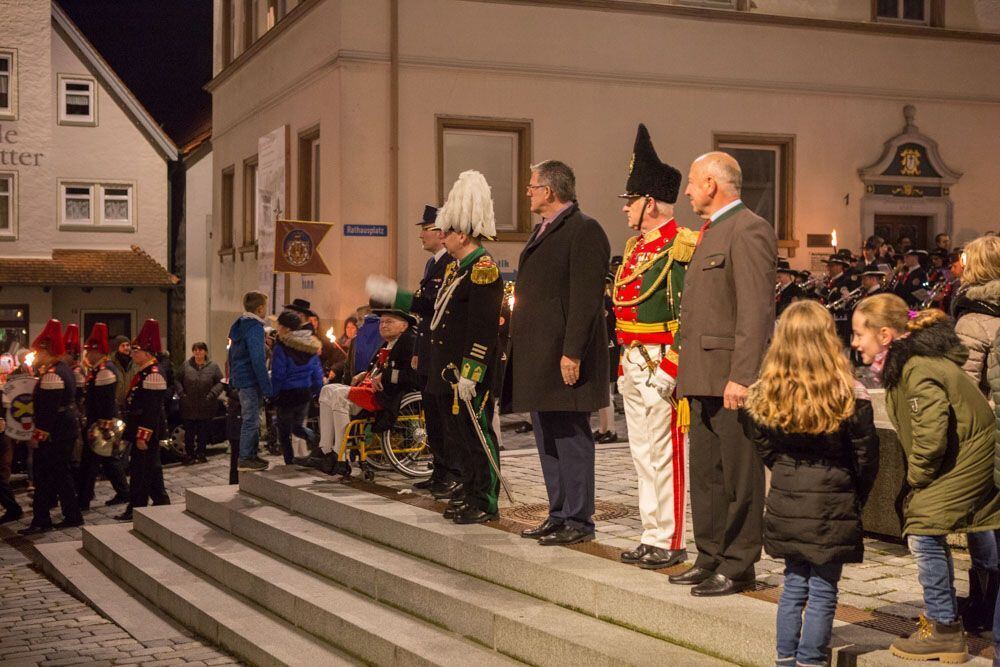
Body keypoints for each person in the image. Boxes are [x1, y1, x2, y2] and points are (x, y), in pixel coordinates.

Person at [852, 297, 1000, 662]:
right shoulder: (912, 362)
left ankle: (944, 628)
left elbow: (931, 436)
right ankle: (976, 610)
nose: (854, 342)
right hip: (967, 455)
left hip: (968, 457)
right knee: (966, 527)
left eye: (859, 334)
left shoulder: (915, 367)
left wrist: (916, 479)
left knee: (921, 525)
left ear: (885, 334)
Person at [745, 301, 879, 667]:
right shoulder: (848, 392)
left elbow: (762, 444)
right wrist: (854, 495)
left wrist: (786, 469)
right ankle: (810, 660)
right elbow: (866, 456)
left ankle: (785, 659)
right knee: (822, 590)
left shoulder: (768, 391)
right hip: (833, 501)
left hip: (787, 497)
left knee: (792, 586)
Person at [370, 171, 504, 523]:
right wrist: (393, 295)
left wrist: (472, 373)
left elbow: (482, 329)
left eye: (446, 232)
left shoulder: (483, 270)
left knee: (477, 435)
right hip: (449, 370)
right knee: (459, 436)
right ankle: (470, 490)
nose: (442, 237)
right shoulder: (457, 269)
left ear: (462, 234)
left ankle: (485, 499)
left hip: (467, 372)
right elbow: (432, 309)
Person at [671, 151, 776, 597]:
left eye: (693, 182)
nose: (689, 191)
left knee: (739, 476)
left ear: (713, 183)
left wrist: (744, 375)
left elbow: (755, 311)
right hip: (701, 374)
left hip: (731, 377)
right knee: (707, 475)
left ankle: (739, 564)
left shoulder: (748, 228)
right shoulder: (711, 232)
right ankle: (709, 555)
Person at [502, 159, 611, 545]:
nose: (528, 193)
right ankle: (558, 512)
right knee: (547, 436)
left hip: (564, 355)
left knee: (571, 436)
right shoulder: (542, 230)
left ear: (549, 191)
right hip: (539, 356)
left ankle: (579, 520)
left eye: (532, 187)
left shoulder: (584, 230)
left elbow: (585, 299)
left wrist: (573, 352)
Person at [612, 124, 697, 569]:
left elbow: (689, 312)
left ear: (651, 203)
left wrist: (673, 365)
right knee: (642, 455)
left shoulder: (682, 247)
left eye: (631, 201)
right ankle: (651, 532)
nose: (625, 209)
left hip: (662, 362)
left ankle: (671, 539)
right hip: (634, 361)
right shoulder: (635, 248)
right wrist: (625, 361)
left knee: (666, 456)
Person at [950, 235, 1000, 631]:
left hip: (984, 437)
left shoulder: (973, 318)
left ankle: (984, 604)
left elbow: (965, 390)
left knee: (981, 520)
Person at [392, 204, 460, 494]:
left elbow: (433, 305)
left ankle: (452, 472)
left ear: (440, 232)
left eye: (425, 229)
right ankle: (440, 470)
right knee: (432, 415)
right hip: (429, 349)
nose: (420, 235)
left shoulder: (450, 264)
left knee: (445, 417)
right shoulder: (434, 264)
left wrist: (395, 296)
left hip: (444, 353)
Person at [306, 310, 418, 477]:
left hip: (388, 394)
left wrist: (384, 375)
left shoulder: (409, 342)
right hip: (369, 388)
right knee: (327, 389)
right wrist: (364, 373)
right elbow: (376, 367)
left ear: (404, 326)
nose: (383, 325)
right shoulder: (388, 342)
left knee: (338, 396)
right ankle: (326, 449)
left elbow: (412, 374)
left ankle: (339, 456)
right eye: (382, 322)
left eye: (389, 322)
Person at [18, 320, 84, 534]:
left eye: (38, 352)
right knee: (60, 474)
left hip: (55, 432)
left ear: (46, 351)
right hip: (64, 429)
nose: (36, 355)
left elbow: (48, 410)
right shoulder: (62, 369)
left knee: (45, 475)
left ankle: (42, 519)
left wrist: (38, 435)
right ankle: (71, 514)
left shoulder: (52, 374)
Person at [116, 319, 171, 522]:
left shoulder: (153, 375)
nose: (133, 353)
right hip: (140, 427)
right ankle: (160, 500)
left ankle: (136, 506)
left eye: (136, 350)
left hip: (146, 429)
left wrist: (143, 435)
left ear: (147, 352)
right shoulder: (144, 372)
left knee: (141, 471)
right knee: (150, 467)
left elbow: (151, 410)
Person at [78, 323, 130, 509]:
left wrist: (104, 426)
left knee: (92, 462)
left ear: (98, 351)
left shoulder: (105, 371)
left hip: (101, 424)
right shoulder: (99, 369)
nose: (87, 355)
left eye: (89, 352)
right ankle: (123, 492)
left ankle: (83, 499)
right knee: (107, 460)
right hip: (98, 422)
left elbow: (106, 400)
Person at [228, 290, 273, 471]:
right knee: (251, 420)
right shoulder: (254, 328)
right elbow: (257, 359)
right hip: (250, 380)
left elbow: (231, 354)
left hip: (241, 378)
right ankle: (246, 458)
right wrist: (267, 386)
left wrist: (233, 378)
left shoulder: (239, 325)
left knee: (251, 418)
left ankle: (252, 455)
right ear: (260, 308)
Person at [270, 310, 323, 465]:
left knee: (284, 432)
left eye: (279, 325)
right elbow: (316, 372)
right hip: (304, 394)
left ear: (286, 328)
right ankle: (314, 438)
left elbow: (278, 374)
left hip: (286, 395)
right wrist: (317, 391)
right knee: (297, 427)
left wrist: (272, 394)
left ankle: (289, 462)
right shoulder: (309, 345)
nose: (277, 328)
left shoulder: (281, 347)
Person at [175, 342, 224, 464]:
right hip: (188, 405)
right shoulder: (186, 366)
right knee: (189, 432)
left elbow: (220, 382)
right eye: (195, 350)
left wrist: (212, 394)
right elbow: (177, 380)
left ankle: (201, 453)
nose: (198, 353)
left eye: (200, 350)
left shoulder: (213, 367)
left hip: (206, 405)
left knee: (203, 431)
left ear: (205, 352)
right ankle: (189, 455)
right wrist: (181, 394)